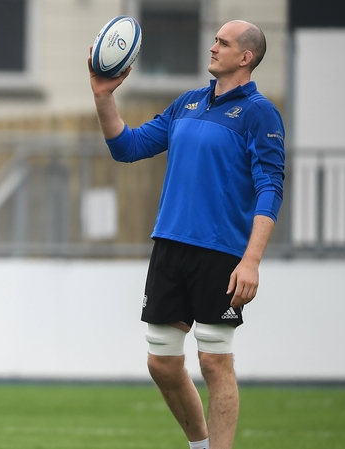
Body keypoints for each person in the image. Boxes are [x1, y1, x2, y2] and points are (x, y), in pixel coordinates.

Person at [88, 20, 285, 449]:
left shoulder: (259, 113)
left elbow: (271, 187)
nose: (212, 46)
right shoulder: (187, 103)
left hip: (221, 254)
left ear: (246, 57)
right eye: (215, 39)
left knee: (215, 362)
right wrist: (104, 96)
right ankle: (199, 444)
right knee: (161, 362)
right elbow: (128, 147)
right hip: (170, 245)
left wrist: (251, 259)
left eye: (223, 42)